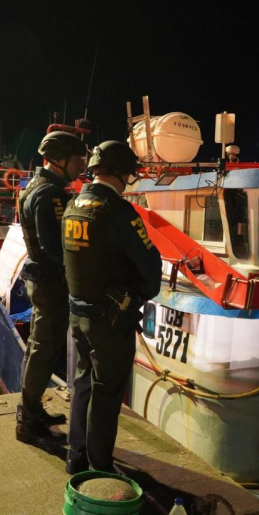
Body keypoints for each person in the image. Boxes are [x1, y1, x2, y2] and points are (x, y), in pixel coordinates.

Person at [62, 141, 162, 474]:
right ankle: (99, 466)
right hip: (110, 320)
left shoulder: (73, 205)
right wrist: (140, 295)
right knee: (106, 393)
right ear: (122, 172)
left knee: (82, 384)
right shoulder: (118, 211)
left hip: (78, 314)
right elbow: (150, 265)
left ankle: (76, 457)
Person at [16, 131, 88, 446]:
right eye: (77, 159)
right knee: (43, 350)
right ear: (59, 160)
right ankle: (28, 422)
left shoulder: (39, 187)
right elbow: (55, 248)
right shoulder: (49, 194)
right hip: (50, 282)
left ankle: (32, 411)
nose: (81, 165)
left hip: (43, 279)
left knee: (40, 347)